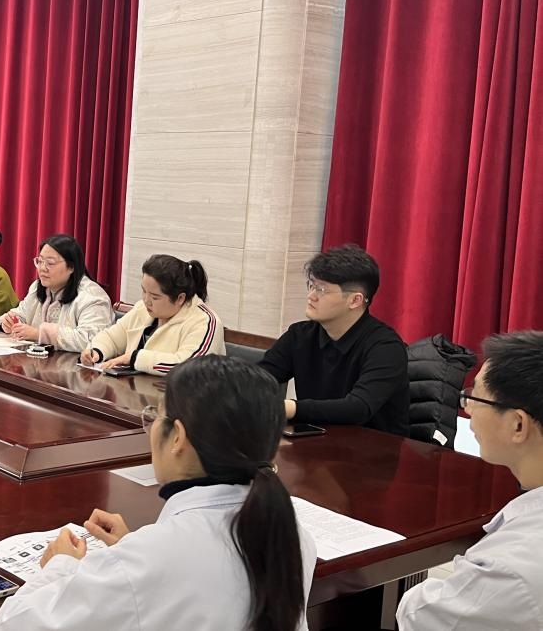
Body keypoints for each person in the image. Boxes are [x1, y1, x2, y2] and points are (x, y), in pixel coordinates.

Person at [0, 355, 316, 630]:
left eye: (157, 415)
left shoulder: (149, 561)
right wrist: (131, 548)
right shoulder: (292, 535)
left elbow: (12, 624)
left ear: (178, 437)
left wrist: (61, 565)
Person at [396, 331, 543, 630]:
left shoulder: (508, 569)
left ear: (518, 424)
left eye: (474, 397)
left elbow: (419, 615)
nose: (467, 408)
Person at [257, 244, 409, 436]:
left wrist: (288, 408)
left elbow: (358, 408)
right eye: (312, 285)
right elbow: (258, 378)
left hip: (374, 448)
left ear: (355, 300)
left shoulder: (386, 347)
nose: (311, 296)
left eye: (321, 290)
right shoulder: (300, 335)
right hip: (314, 442)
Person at [81, 254, 223, 375]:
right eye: (144, 291)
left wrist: (135, 358)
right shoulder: (142, 308)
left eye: (155, 297)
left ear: (180, 298)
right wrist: (97, 351)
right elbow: (113, 337)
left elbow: (190, 367)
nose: (146, 300)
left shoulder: (205, 321)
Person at [0, 234, 112, 351]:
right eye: (40, 261)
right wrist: (10, 324)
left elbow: (93, 340)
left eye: (50, 263)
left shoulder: (92, 296)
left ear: (71, 267)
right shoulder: (37, 287)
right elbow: (22, 314)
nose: (42, 268)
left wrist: (39, 334)